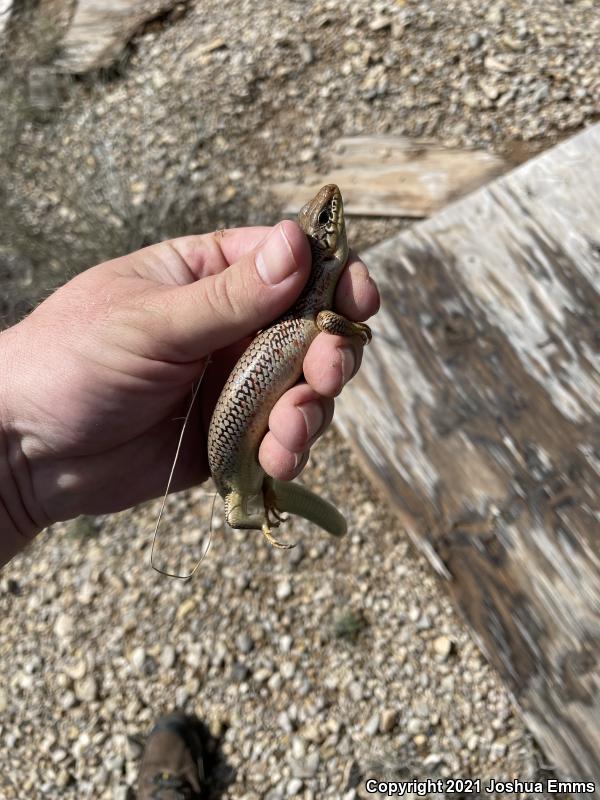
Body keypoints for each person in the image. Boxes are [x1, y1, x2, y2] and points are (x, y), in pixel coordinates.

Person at [0, 221, 380, 798]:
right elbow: (329, 321)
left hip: (223, 448)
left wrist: (16, 466)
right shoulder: (316, 307)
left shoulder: (312, 298)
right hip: (224, 453)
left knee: (267, 466)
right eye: (325, 224)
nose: (334, 217)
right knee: (259, 477)